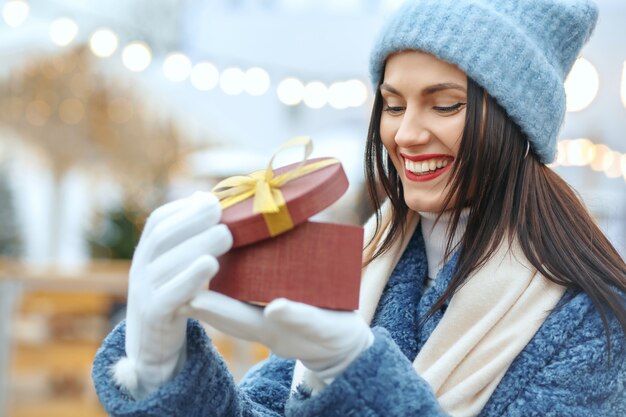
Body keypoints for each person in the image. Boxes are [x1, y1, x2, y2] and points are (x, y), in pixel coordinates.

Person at [92, 0, 626, 416]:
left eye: (445, 105)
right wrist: (162, 365)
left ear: (515, 123)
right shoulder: (370, 260)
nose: (407, 134)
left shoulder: (591, 322)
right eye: (392, 105)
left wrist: (352, 371)